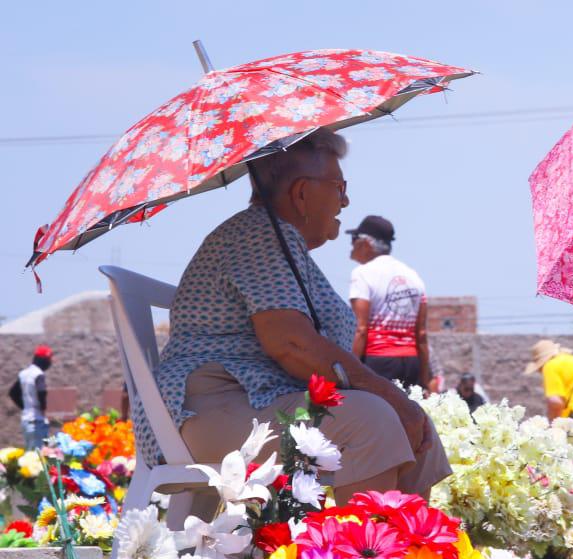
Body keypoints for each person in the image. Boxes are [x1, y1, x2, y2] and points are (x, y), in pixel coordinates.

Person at [138, 128, 449, 504]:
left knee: (414, 426)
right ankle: (366, 556)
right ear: (302, 193)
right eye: (339, 186)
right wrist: (393, 398)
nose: (346, 200)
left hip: (254, 404)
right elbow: (293, 345)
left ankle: (411, 553)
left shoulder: (283, 243)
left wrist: (400, 405)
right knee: (375, 419)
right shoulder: (257, 235)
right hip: (210, 410)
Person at [347, 215, 434, 392]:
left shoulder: (362, 274)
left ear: (366, 243)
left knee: (376, 417)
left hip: (378, 360)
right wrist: (425, 379)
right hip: (411, 363)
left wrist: (350, 373)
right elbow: (422, 334)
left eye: (353, 239)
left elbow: (360, 329)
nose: (351, 245)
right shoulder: (413, 276)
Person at [9, 345, 53, 448]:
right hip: (37, 422)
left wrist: (25, 407)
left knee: (33, 452)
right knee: (40, 455)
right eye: (48, 360)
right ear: (43, 360)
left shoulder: (23, 374)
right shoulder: (39, 374)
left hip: (26, 421)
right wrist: (43, 408)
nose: (50, 363)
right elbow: (41, 393)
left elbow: (13, 393)